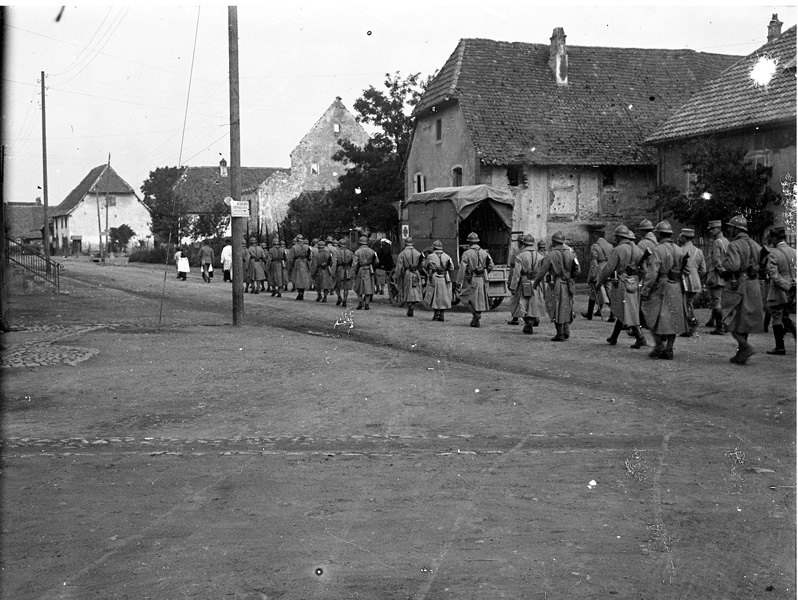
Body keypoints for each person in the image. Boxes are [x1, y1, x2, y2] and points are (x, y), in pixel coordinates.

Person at [640, 221, 689, 360]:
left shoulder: (658, 250)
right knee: (673, 317)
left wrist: (645, 289)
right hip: (676, 286)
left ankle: (659, 344)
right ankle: (669, 348)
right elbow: (687, 270)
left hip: (661, 286)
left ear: (660, 234)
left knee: (651, 314)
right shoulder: (680, 250)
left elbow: (652, 272)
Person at [721, 215, 764, 364]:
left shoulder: (734, 245)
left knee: (729, 316)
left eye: (731, 227)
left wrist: (724, 265)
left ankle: (745, 346)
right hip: (754, 283)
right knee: (744, 320)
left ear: (737, 228)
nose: (729, 229)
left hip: (740, 283)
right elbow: (764, 260)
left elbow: (733, 266)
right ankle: (741, 353)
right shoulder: (755, 244)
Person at [595, 225, 647, 348]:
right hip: (634, 282)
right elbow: (644, 270)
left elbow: (608, 269)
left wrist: (599, 283)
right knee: (625, 310)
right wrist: (635, 274)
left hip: (622, 282)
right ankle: (614, 337)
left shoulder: (619, 249)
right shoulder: (637, 249)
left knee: (626, 310)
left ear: (619, 236)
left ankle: (640, 337)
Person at [531, 231, 580, 341]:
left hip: (556, 284)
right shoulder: (571, 253)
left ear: (553, 241)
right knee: (567, 307)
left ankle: (559, 334)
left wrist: (535, 283)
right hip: (569, 284)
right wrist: (570, 277)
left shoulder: (551, 255)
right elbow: (578, 270)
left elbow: (542, 272)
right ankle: (566, 330)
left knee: (555, 307)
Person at [765, 225, 797, 355]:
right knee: (785, 316)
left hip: (780, 290)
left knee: (777, 316)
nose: (770, 241)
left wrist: (786, 286)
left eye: (771, 238)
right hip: (794, 289)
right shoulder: (794, 251)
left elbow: (774, 275)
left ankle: (780, 347)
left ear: (774, 238)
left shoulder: (774, 254)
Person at [508, 234, 547, 334]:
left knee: (524, 303)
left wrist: (513, 287)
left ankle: (528, 323)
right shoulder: (540, 256)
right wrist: (544, 287)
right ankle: (533, 320)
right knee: (534, 303)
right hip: (536, 282)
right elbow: (543, 273)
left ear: (524, 244)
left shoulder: (520, 256)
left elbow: (516, 274)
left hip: (524, 282)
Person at [456, 232, 494, 327]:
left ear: (469, 243)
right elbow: (491, 265)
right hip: (482, 278)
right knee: (480, 298)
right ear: (477, 242)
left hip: (471, 279)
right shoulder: (485, 253)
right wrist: (485, 271)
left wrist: (458, 282)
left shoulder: (466, 253)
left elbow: (462, 268)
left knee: (464, 296)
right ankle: (477, 317)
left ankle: (475, 315)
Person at [677, 228, 707, 337]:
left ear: (684, 237)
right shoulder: (699, 251)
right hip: (695, 282)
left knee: (685, 304)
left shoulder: (679, 250)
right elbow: (703, 270)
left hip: (683, 281)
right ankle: (690, 325)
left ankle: (690, 326)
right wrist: (696, 277)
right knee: (689, 303)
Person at [705, 219, 729, 334]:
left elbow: (716, 260)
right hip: (726, 275)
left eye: (712, 229)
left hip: (717, 275)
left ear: (718, 229)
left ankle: (719, 327)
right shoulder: (726, 241)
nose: (710, 231)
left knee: (716, 301)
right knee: (721, 300)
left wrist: (719, 271)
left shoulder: (716, 242)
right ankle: (723, 324)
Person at [582, 234, 614, 321]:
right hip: (609, 269)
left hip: (599, 271)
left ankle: (589, 314)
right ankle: (613, 315)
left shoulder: (595, 247)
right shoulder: (610, 246)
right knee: (609, 292)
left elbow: (593, 264)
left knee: (593, 291)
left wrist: (591, 276)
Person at [424, 239, 454, 321]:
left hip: (435, 277)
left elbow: (425, 266)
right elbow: (452, 267)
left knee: (435, 295)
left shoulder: (430, 256)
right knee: (443, 296)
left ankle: (436, 314)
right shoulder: (447, 256)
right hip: (444, 277)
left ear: (434, 248)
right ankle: (442, 315)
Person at [395, 237, 424, 317]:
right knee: (415, 290)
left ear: (405, 244)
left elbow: (399, 267)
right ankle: (413, 305)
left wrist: (396, 276)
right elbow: (422, 265)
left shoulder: (402, 253)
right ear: (412, 244)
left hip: (407, 273)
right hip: (416, 273)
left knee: (407, 289)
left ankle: (409, 305)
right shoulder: (418, 253)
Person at [353, 236, 379, 310]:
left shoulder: (357, 252)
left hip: (361, 270)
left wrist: (354, 271)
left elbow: (354, 263)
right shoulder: (372, 251)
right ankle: (367, 304)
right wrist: (372, 266)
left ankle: (361, 301)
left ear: (360, 243)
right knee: (368, 288)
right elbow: (377, 261)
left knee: (358, 287)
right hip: (369, 270)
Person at [506, 235, 526, 326]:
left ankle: (515, 317)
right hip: (529, 279)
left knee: (515, 299)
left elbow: (513, 269)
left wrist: (511, 282)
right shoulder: (531, 253)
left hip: (519, 278)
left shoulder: (516, 253)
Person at [286, 235, 312, 300]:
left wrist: (289, 266)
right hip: (305, 263)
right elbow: (310, 257)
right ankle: (302, 292)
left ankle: (299, 292)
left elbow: (291, 259)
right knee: (304, 278)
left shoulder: (294, 247)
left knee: (297, 278)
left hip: (297, 263)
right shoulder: (307, 247)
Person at [335, 238, 355, 308]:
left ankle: (339, 297)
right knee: (346, 287)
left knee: (337, 285)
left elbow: (334, 263)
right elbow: (353, 262)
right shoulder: (350, 252)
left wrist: (333, 272)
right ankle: (345, 300)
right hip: (348, 269)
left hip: (339, 269)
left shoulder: (336, 252)